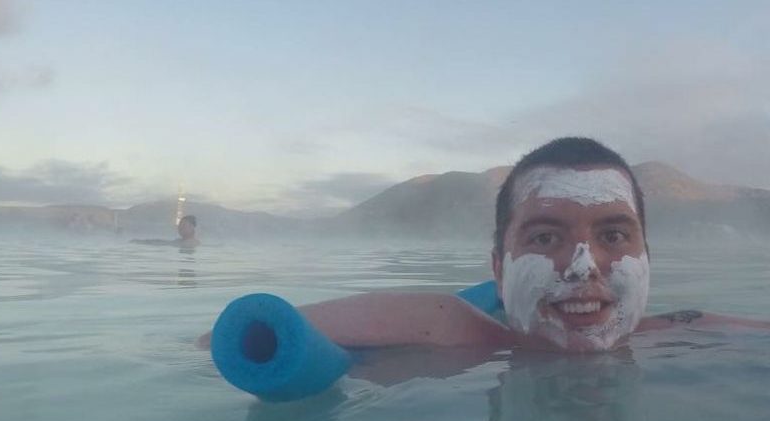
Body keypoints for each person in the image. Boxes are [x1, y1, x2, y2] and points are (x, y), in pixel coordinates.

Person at [199, 137, 768, 352]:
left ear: (647, 259)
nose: (581, 266)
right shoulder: (451, 326)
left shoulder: (684, 336)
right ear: (498, 270)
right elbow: (224, 340)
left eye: (613, 235)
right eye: (545, 237)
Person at [131, 214, 201, 248]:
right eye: (179, 226)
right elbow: (165, 242)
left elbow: (167, 244)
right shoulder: (180, 241)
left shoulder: (191, 243)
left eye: (183, 225)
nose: (180, 228)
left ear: (192, 227)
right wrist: (143, 242)